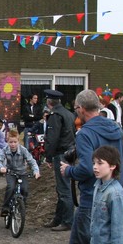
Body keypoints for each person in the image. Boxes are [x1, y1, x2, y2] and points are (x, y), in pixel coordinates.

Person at [60, 89, 123, 244]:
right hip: (116, 193)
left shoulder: (85, 134)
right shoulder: (117, 129)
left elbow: (86, 169)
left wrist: (68, 171)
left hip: (93, 197)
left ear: (81, 109)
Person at [43, 89, 75, 231]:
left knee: (64, 189)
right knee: (63, 187)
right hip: (70, 153)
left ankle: (67, 221)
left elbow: (52, 138)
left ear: (49, 102)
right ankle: (58, 218)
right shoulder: (69, 114)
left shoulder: (55, 115)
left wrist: (48, 156)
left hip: (60, 153)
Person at [0, 129, 40, 216]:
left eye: (15, 142)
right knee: (11, 187)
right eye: (11, 142)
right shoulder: (5, 150)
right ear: (7, 142)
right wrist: (1, 168)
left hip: (22, 173)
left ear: (18, 141)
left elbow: (32, 161)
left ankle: (22, 208)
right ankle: (5, 207)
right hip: (10, 173)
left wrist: (36, 171)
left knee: (25, 190)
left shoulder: (23, 150)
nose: (13, 144)